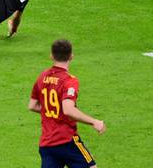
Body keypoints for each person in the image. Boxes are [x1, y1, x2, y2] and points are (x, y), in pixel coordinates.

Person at [28, 39, 106, 168]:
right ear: (71, 56)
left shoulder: (42, 77)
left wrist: (51, 110)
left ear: (51, 56)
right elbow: (68, 110)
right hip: (66, 140)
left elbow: (32, 105)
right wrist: (94, 121)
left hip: (47, 144)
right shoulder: (69, 81)